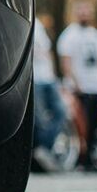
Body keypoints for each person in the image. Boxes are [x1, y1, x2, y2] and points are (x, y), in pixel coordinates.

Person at [57, 1, 97, 168]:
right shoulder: (69, 35)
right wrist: (76, 84)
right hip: (79, 89)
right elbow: (66, 63)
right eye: (81, 10)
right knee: (81, 126)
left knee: (94, 124)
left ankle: (92, 160)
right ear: (76, 12)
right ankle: (80, 159)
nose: (84, 14)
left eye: (87, 10)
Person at [32, 16, 67, 171]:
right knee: (38, 120)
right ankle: (38, 156)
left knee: (61, 112)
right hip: (34, 79)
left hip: (48, 78)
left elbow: (47, 52)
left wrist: (53, 75)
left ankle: (42, 149)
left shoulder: (38, 23)